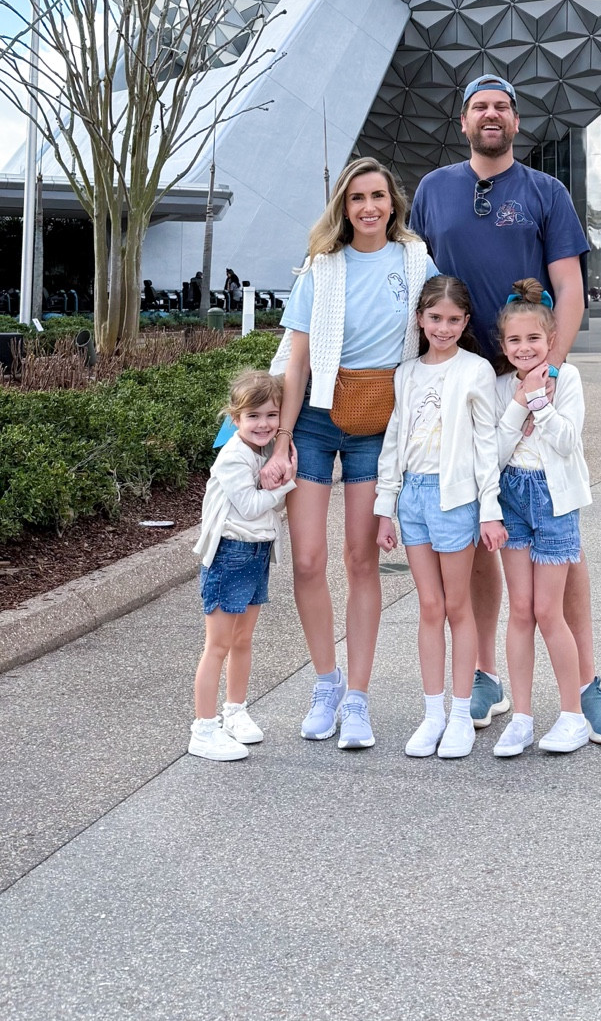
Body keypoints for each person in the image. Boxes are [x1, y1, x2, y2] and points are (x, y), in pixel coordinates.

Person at [409, 73, 601, 744]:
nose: (491, 115)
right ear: (463, 120)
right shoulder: (433, 191)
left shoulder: (545, 192)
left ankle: (586, 685)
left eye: (502, 106)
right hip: (466, 381)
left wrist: (549, 371)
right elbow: (417, 284)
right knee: (483, 523)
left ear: (515, 120)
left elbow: (569, 289)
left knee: (560, 526)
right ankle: (483, 675)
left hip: (531, 372)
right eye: (480, 106)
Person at [260, 157, 436, 751]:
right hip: (313, 419)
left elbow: (438, 328)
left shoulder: (414, 260)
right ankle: (326, 684)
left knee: (361, 561)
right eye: (357, 197)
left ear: (393, 203)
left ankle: (358, 698)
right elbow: (299, 357)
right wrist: (281, 440)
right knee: (308, 561)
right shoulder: (322, 267)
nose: (368, 207)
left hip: (377, 423)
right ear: (344, 205)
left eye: (378, 196)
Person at [375, 276, 507, 759]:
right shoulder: (406, 373)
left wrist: (489, 511)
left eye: (453, 320)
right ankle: (432, 714)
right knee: (428, 607)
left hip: (456, 500)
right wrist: (384, 509)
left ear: (466, 322)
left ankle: (459, 715)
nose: (444, 328)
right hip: (413, 498)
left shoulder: (475, 372)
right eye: (435, 318)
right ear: (420, 320)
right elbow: (394, 442)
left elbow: (486, 446)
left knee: (457, 607)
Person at [492, 280, 593, 757]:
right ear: (503, 345)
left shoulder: (566, 381)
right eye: (514, 340)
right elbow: (493, 454)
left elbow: (567, 442)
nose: (524, 348)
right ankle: (522, 717)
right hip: (512, 499)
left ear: (550, 341)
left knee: (550, 611)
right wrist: (517, 404)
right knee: (521, 611)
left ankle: (572, 714)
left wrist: (539, 402)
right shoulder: (499, 388)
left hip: (554, 500)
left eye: (533, 339)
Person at [189, 369, 297, 761]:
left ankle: (234, 711)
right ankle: (203, 728)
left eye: (271, 415)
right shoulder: (233, 457)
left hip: (255, 554)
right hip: (229, 555)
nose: (263, 424)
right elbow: (251, 506)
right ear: (235, 419)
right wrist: (287, 483)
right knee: (217, 645)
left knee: (243, 640)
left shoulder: (266, 452)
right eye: (253, 416)